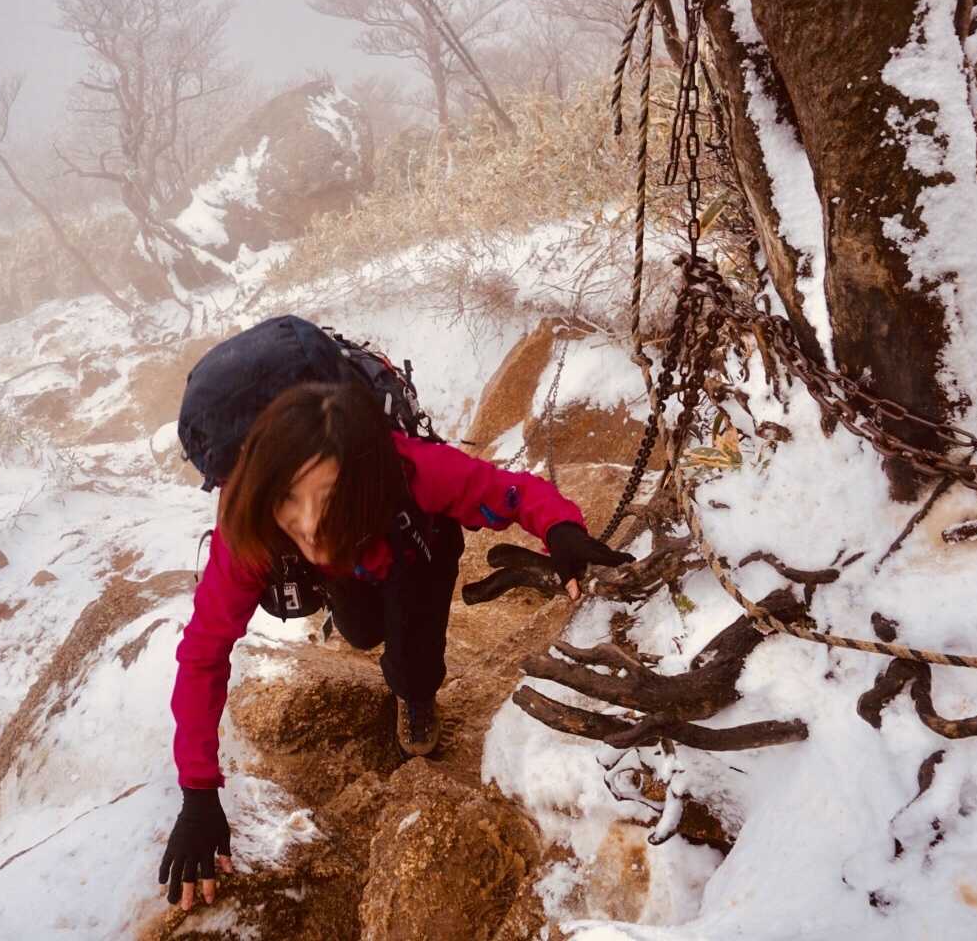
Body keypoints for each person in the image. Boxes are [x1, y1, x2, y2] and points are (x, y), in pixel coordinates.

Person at [158, 380, 631, 910]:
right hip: (348, 561)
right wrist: (198, 793)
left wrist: (561, 528)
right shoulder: (249, 523)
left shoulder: (411, 470)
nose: (308, 523)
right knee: (362, 631)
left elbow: (509, 492)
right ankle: (358, 608)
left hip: (415, 549)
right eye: (290, 498)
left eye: (328, 497)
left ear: (364, 480)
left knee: (413, 665)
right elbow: (204, 652)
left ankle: (416, 694)